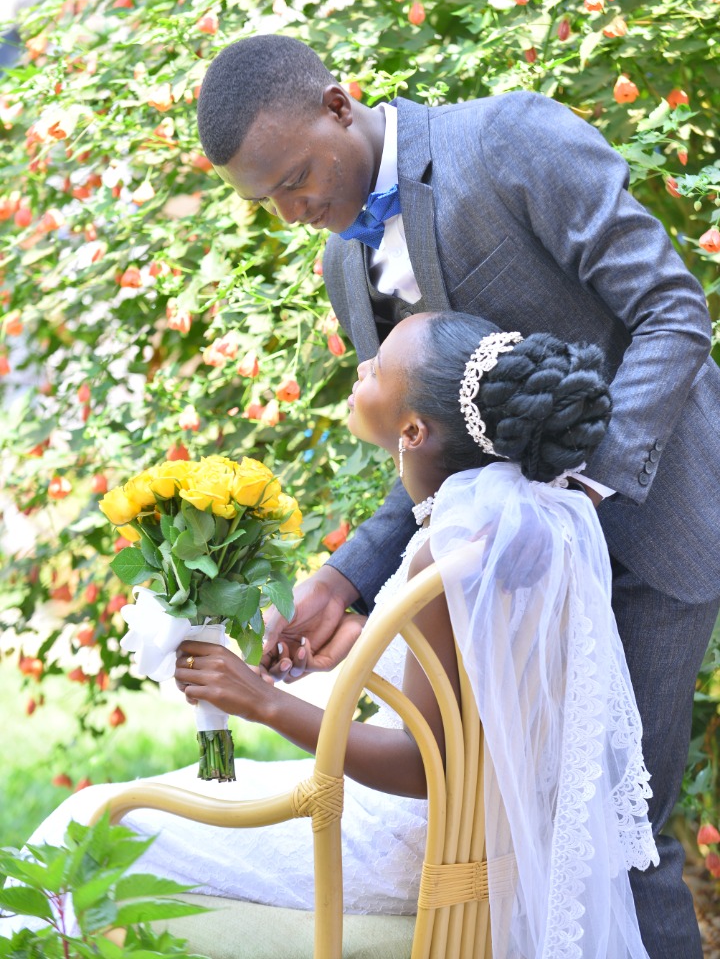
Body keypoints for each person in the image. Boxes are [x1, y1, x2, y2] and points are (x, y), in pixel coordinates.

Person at [196, 34, 720, 958]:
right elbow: (430, 438)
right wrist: (343, 580)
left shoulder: (512, 140)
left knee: (617, 841)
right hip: (514, 583)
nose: (294, 211)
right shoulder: (343, 266)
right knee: (538, 834)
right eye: (267, 199)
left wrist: (581, 490)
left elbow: (672, 311)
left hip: (652, 531)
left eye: (297, 178)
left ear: (339, 104)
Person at [3, 312, 656, 957]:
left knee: (87, 821)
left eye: (378, 368)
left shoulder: (445, 552)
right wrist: (365, 641)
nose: (361, 365)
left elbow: (425, 765)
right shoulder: (521, 530)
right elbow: (471, 695)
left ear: (411, 431)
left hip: (403, 844)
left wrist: (262, 703)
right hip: (470, 831)